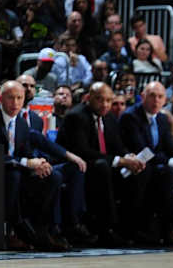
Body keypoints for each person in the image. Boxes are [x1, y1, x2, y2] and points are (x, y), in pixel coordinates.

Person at [0, 81, 74, 251]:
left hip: (18, 170)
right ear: (0, 98)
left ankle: (41, 228)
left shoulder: (22, 123)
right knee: (14, 175)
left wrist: (39, 163)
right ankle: (13, 230)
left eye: (19, 98)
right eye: (11, 98)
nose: (15, 103)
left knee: (53, 176)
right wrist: (27, 162)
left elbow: (26, 152)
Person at [57, 83, 141, 245]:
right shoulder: (76, 116)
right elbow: (82, 151)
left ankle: (132, 227)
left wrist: (128, 157)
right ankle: (106, 229)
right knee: (102, 167)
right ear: (88, 98)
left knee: (138, 170)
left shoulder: (109, 117)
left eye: (109, 100)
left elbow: (117, 145)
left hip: (102, 163)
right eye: (100, 100)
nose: (105, 105)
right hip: (77, 165)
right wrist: (119, 161)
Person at [119, 82, 173, 244]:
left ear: (165, 100)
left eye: (160, 97)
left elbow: (170, 147)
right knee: (167, 172)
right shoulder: (131, 116)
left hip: (157, 164)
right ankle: (169, 227)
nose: (156, 100)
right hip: (135, 164)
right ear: (142, 96)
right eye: (152, 96)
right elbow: (143, 150)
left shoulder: (162, 118)